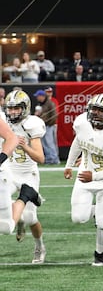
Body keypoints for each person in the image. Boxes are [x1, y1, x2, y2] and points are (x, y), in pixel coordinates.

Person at [64, 94, 103, 266]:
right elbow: (78, 142)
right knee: (78, 218)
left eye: (101, 110)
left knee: (102, 222)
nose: (96, 113)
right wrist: (69, 165)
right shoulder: (83, 123)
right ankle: (97, 210)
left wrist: (95, 176)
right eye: (94, 109)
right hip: (84, 178)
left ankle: (100, 254)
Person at [4, 90, 47, 263]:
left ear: (25, 108)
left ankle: (39, 247)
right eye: (10, 108)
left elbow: (41, 158)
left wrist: (24, 146)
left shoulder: (32, 124)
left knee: (31, 218)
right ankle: (18, 219)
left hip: (28, 174)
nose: (13, 112)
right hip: (9, 172)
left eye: (16, 108)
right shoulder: (4, 123)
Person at [34, 90, 59, 165]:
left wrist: (49, 123)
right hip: (43, 126)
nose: (37, 98)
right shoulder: (41, 104)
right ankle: (49, 159)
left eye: (38, 96)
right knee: (44, 143)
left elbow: (54, 115)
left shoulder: (50, 103)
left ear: (42, 96)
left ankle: (54, 159)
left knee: (50, 143)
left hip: (49, 126)